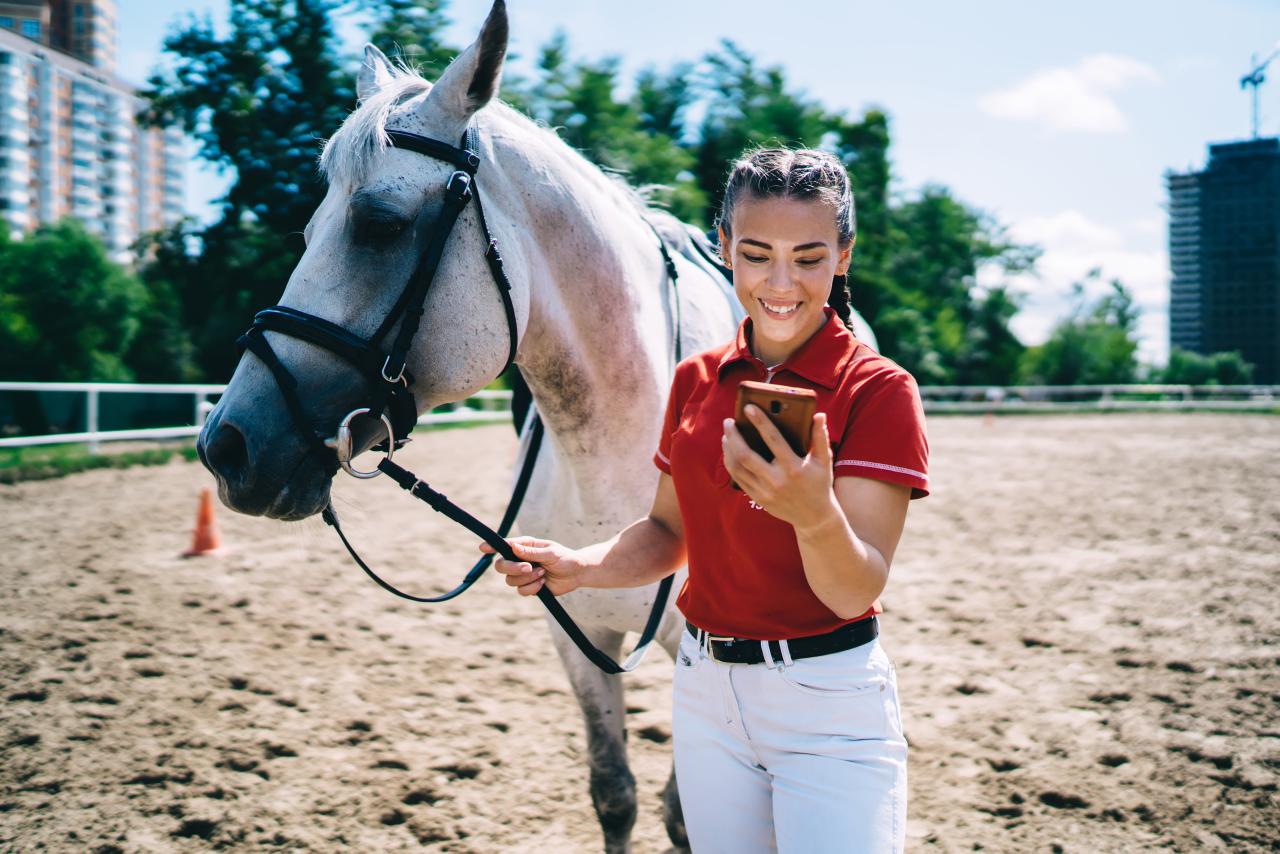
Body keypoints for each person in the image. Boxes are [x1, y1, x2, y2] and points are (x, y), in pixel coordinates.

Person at [483, 147, 929, 853]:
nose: (780, 282)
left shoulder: (880, 390)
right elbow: (667, 532)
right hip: (705, 692)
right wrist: (581, 564)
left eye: (809, 258)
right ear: (724, 248)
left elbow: (853, 591)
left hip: (826, 699)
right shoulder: (696, 379)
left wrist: (813, 513)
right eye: (756, 254)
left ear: (844, 256)